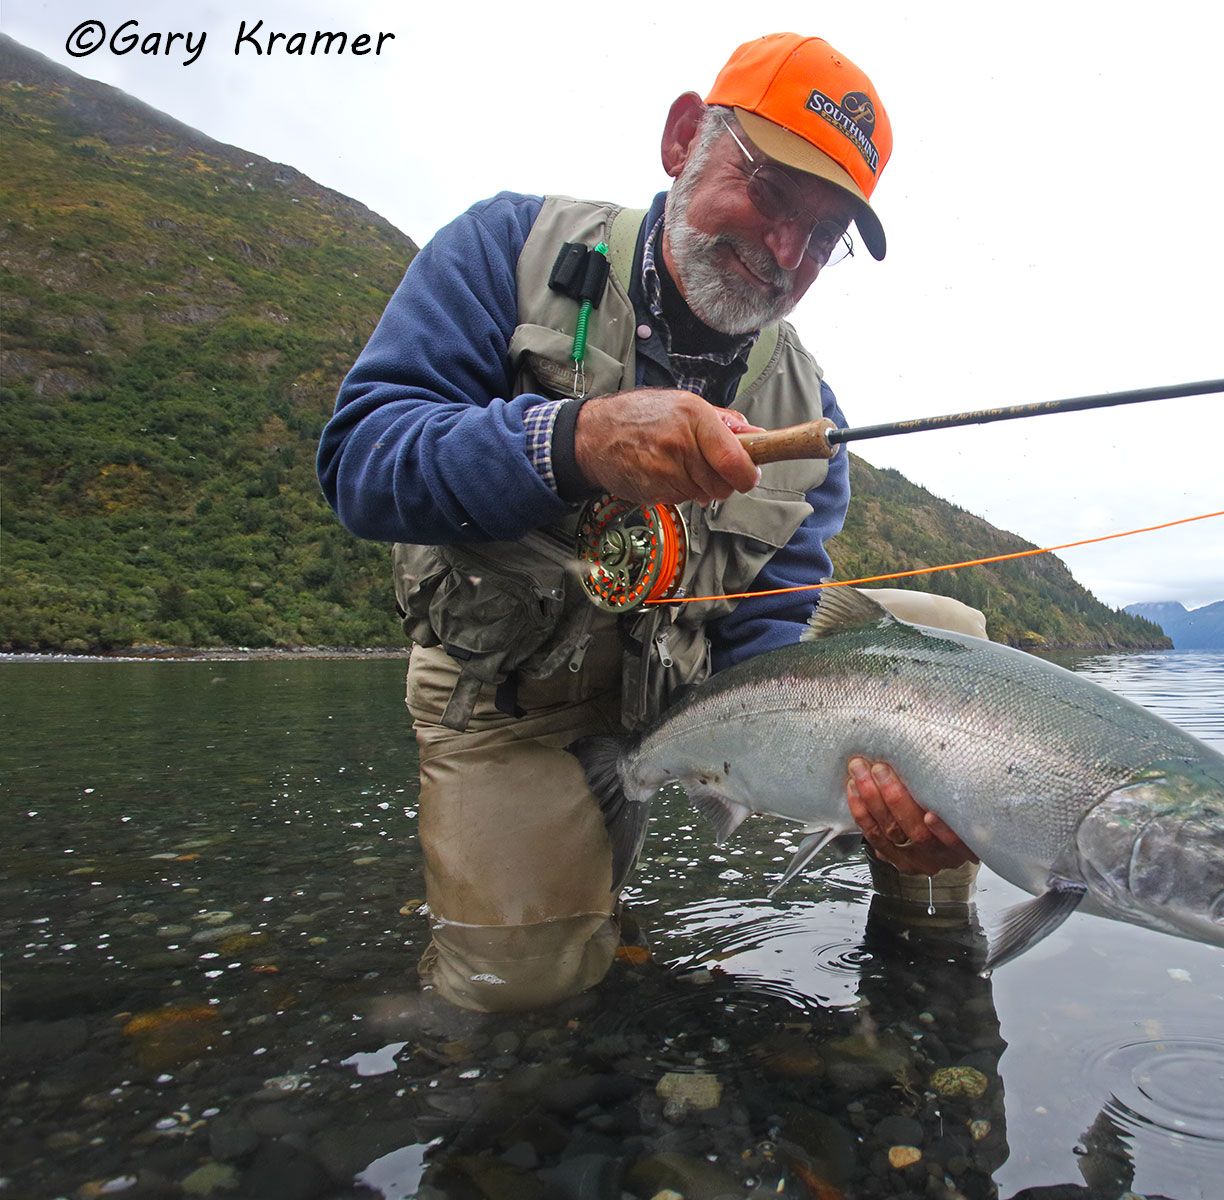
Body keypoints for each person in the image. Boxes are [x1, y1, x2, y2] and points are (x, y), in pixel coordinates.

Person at [317, 33, 984, 1014]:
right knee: (517, 998)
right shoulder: (506, 250)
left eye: (824, 231)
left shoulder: (812, 410)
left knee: (950, 651)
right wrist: (571, 441)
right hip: (513, 702)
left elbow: (767, 630)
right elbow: (360, 460)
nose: (787, 252)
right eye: (770, 194)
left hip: (691, 683)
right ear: (683, 140)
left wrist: (872, 776)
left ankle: (933, 952)